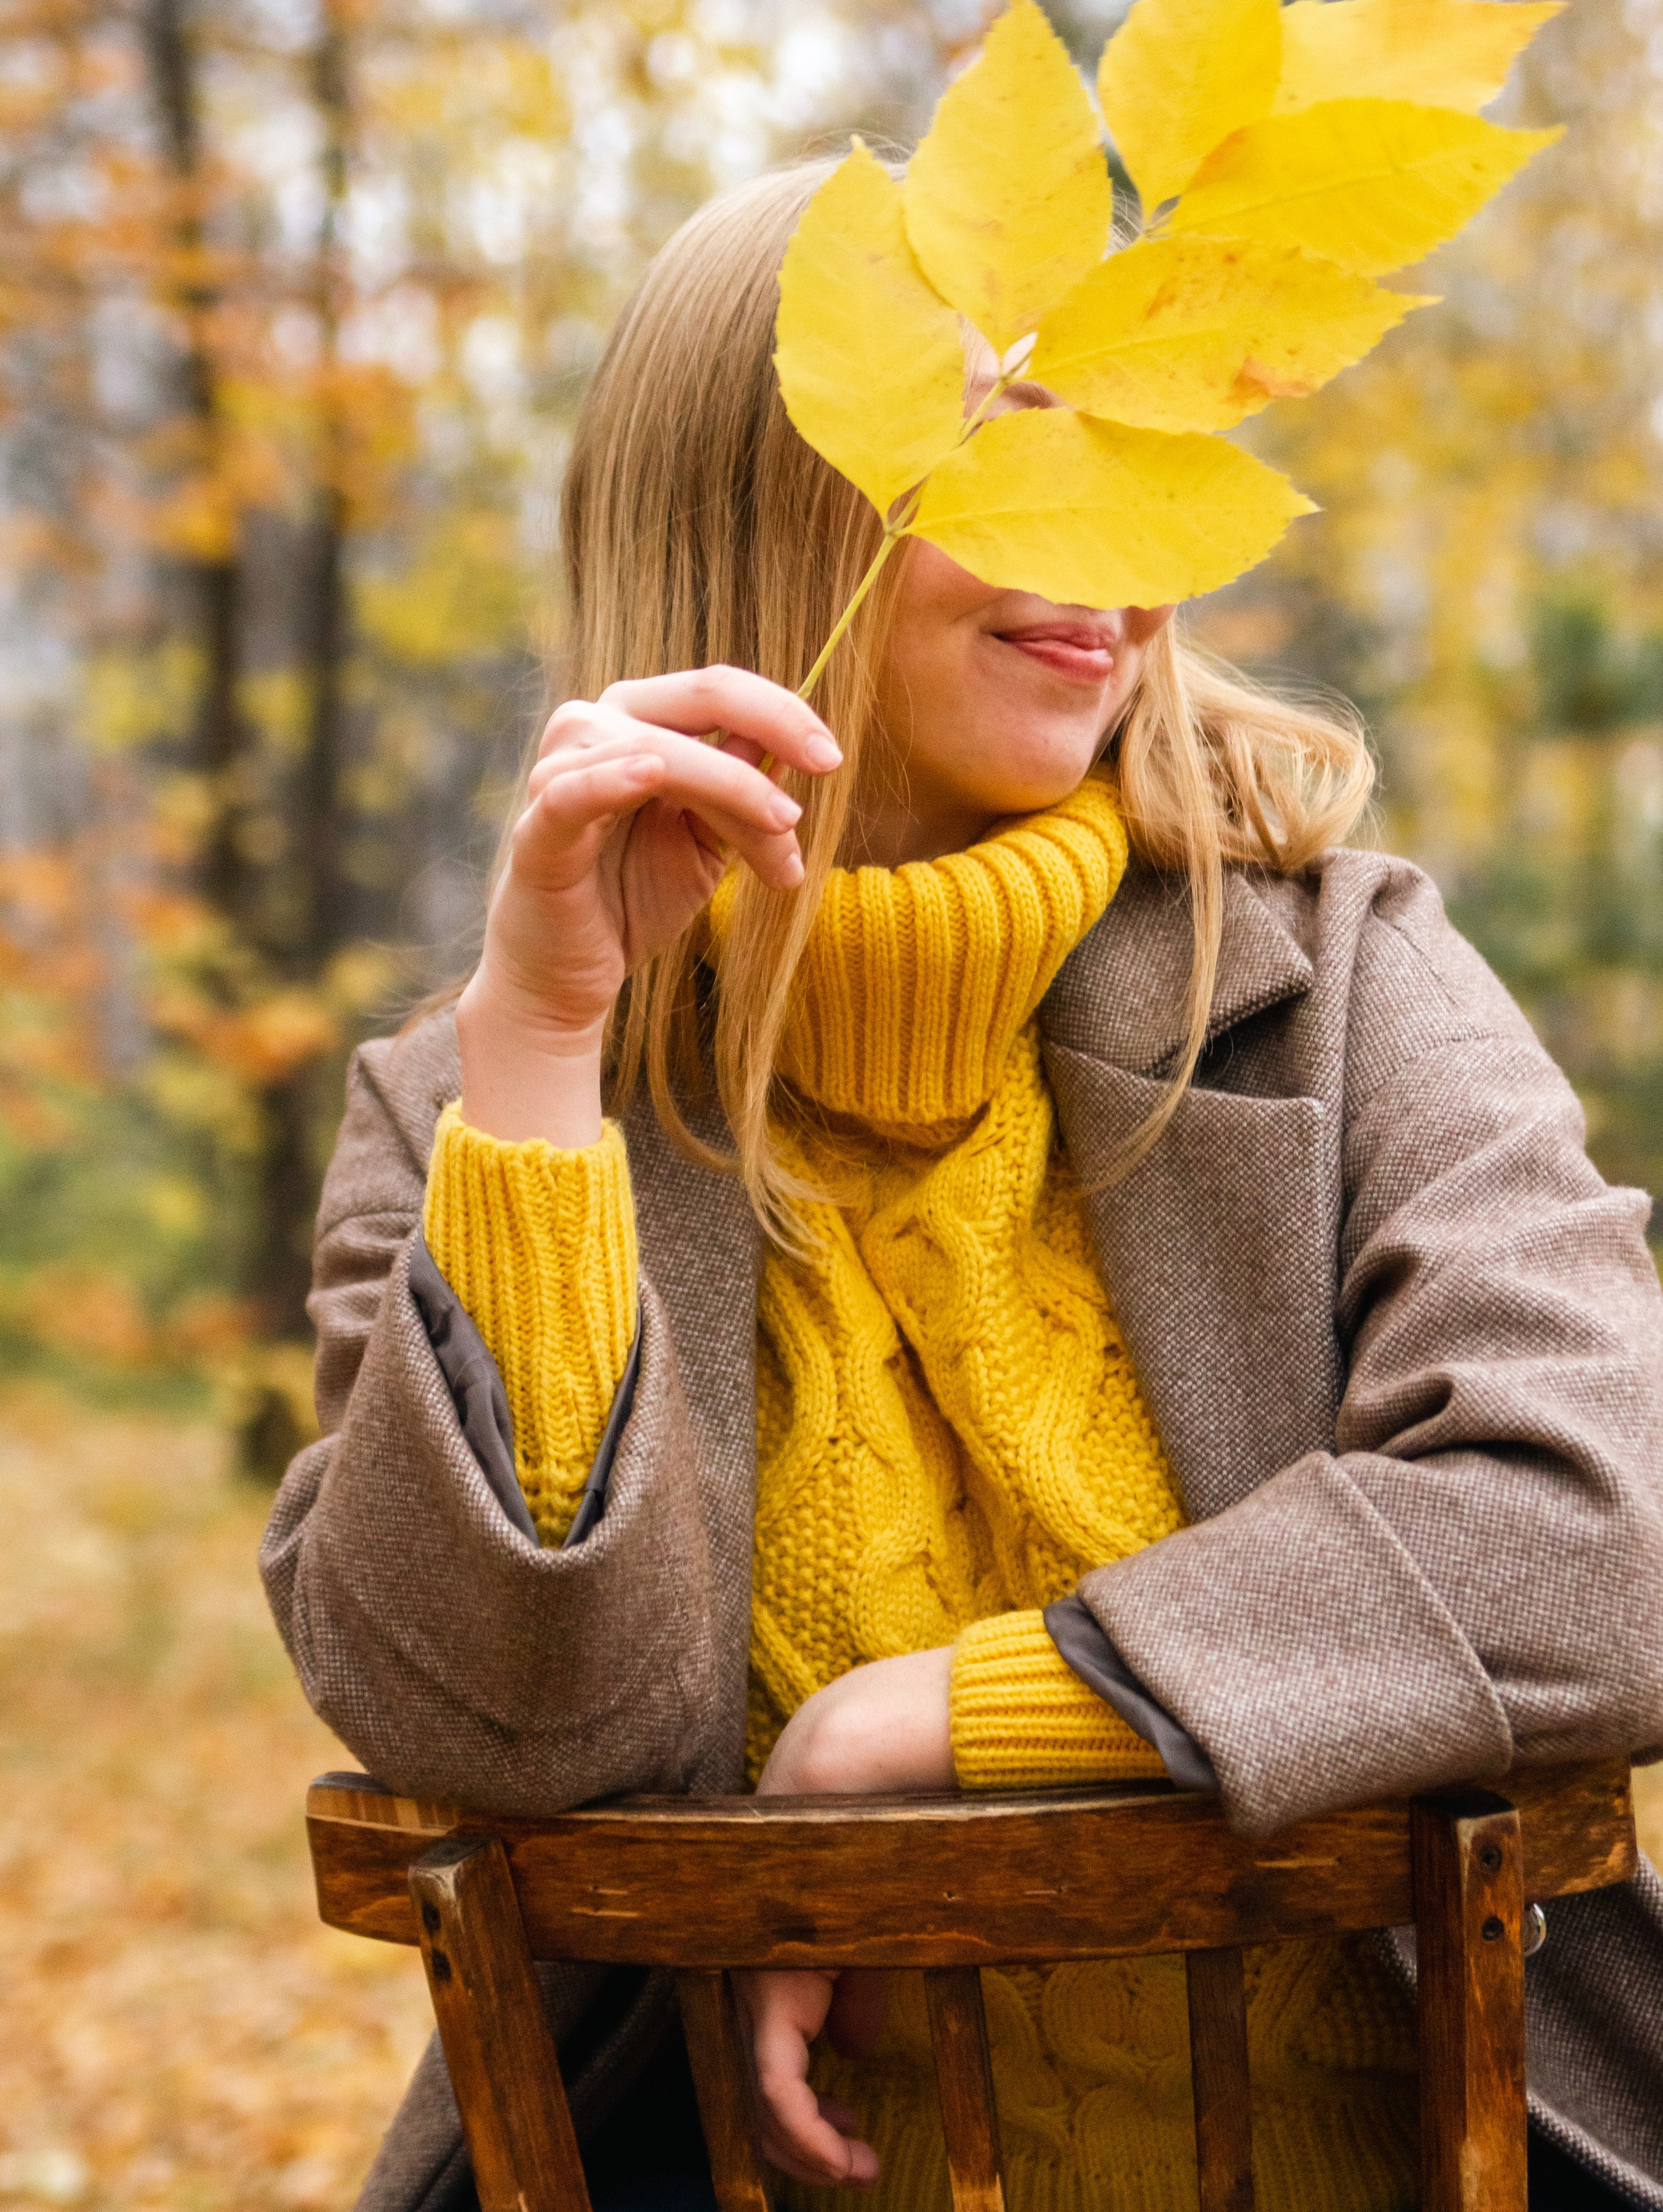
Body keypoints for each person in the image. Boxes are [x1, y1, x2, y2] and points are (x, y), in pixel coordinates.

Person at [261, 162, 1663, 2212]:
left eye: (1133, 462)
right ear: (760, 512)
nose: (1109, 546)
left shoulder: (1339, 979)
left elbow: (1610, 1530)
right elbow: (502, 1734)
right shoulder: (478, 1112)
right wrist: (549, 1052)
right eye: (1006, 452)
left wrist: (923, 1722)